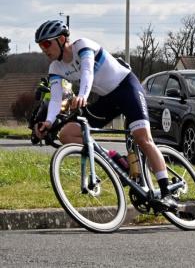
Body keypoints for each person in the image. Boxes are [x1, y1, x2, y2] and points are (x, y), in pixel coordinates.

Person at [33, 20, 177, 210]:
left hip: (127, 88)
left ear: (61, 39)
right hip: (107, 99)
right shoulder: (55, 68)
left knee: (143, 138)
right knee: (67, 134)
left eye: (46, 44)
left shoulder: (83, 46)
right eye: (40, 45)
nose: (44, 49)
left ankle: (167, 193)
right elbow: (55, 99)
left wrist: (83, 95)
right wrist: (49, 122)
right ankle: (115, 159)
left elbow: (87, 73)